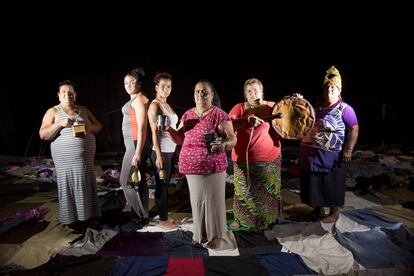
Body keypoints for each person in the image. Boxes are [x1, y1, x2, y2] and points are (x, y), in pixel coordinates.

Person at [166, 80, 237, 249]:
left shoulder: (219, 114)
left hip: (213, 165)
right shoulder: (187, 115)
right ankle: (199, 234)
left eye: (205, 92)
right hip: (191, 166)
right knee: (197, 201)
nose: (200, 95)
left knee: (213, 201)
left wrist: (225, 145)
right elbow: (180, 139)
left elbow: (232, 137)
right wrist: (169, 130)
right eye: (197, 92)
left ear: (212, 95)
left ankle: (216, 235)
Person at [39, 80, 102, 230]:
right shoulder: (53, 112)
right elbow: (43, 134)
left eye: (70, 92)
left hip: (86, 159)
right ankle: (72, 220)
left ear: (75, 95)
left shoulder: (84, 110)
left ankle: (88, 216)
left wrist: (89, 127)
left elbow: (99, 126)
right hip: (66, 160)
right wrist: (59, 124)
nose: (67, 95)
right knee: (69, 186)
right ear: (59, 96)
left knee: (86, 185)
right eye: (64, 92)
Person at [299, 66, 359, 223]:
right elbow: (302, 116)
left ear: (339, 90)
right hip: (313, 154)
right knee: (315, 182)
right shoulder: (317, 108)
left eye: (333, 87)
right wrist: (298, 100)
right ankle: (318, 208)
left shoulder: (345, 109)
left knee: (332, 182)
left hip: (332, 156)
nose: (330, 89)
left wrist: (349, 149)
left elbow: (354, 128)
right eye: (327, 87)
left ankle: (334, 211)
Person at [228, 78, 284, 230]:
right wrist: (247, 121)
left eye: (256, 91)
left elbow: (290, 113)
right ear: (245, 95)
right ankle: (242, 220)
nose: (253, 94)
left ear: (262, 92)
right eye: (249, 91)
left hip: (269, 159)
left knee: (268, 193)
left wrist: (296, 100)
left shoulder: (272, 107)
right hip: (243, 160)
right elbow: (228, 125)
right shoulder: (239, 108)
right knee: (244, 192)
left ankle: (268, 220)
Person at [147, 72, 179, 229]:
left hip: (170, 150)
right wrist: (159, 156)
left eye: (169, 86)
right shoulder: (155, 105)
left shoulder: (167, 105)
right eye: (163, 86)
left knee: (165, 184)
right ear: (156, 87)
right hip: (161, 152)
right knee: (161, 184)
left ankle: (164, 215)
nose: (166, 89)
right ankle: (162, 219)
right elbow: (154, 133)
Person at [120, 67, 151, 222]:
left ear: (139, 84)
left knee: (125, 181)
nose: (128, 85)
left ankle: (138, 215)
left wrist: (138, 152)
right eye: (126, 83)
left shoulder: (139, 99)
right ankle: (142, 213)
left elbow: (142, 127)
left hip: (135, 144)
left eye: (132, 82)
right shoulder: (135, 98)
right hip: (132, 144)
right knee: (139, 180)